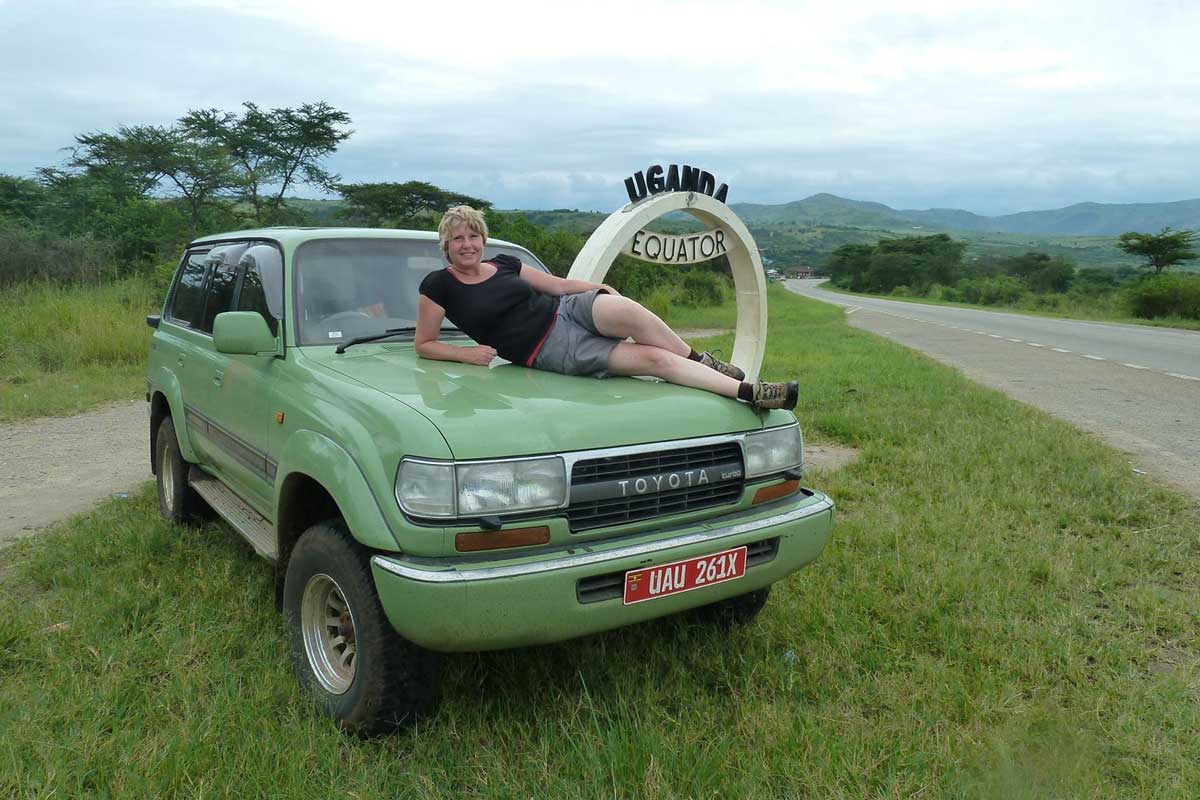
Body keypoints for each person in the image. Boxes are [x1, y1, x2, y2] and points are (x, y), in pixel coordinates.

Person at [414, 206, 799, 410]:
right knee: (655, 362)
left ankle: (701, 360)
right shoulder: (439, 284)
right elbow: (424, 344)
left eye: (473, 235)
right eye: (457, 238)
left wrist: (600, 288)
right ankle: (749, 392)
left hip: (566, 310)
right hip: (549, 349)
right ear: (446, 245)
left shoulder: (505, 263)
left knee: (628, 310)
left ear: (482, 238)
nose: (467, 244)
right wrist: (465, 355)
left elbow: (560, 286)